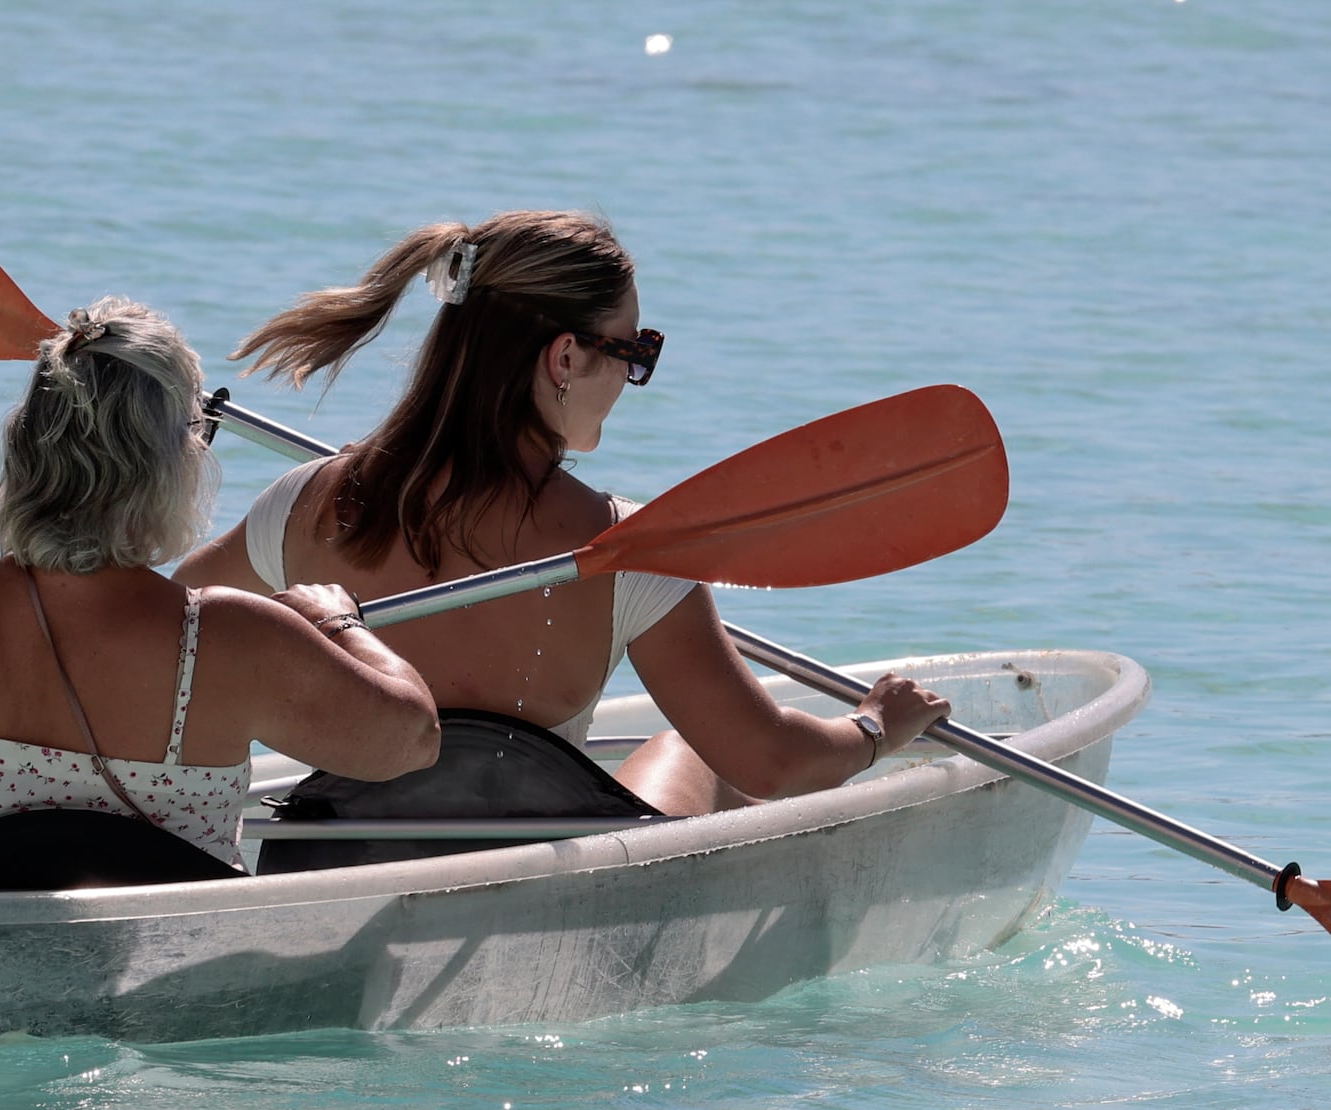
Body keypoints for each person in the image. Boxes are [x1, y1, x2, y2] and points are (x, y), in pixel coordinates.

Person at [174, 214, 952, 866]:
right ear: (567, 356)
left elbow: (169, 623)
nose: (633, 377)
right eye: (634, 352)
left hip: (335, 870)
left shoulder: (308, 505)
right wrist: (875, 727)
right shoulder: (625, 547)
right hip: (529, 890)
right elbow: (771, 761)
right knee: (691, 744)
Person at [0, 298, 440, 894]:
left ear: (27, 448)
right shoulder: (230, 636)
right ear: (168, 464)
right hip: (179, 997)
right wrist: (339, 620)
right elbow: (411, 740)